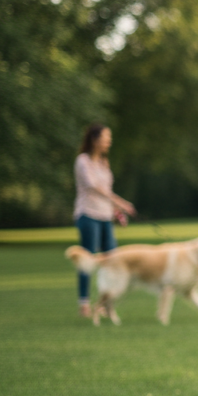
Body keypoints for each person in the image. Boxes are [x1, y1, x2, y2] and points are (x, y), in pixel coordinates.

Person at [73, 123, 135, 317]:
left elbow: (106, 192)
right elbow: (94, 188)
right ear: (94, 139)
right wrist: (121, 202)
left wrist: (117, 211)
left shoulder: (103, 163)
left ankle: (104, 305)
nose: (109, 141)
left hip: (105, 217)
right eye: (106, 137)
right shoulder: (83, 161)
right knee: (88, 259)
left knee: (113, 261)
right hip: (88, 215)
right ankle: (84, 304)